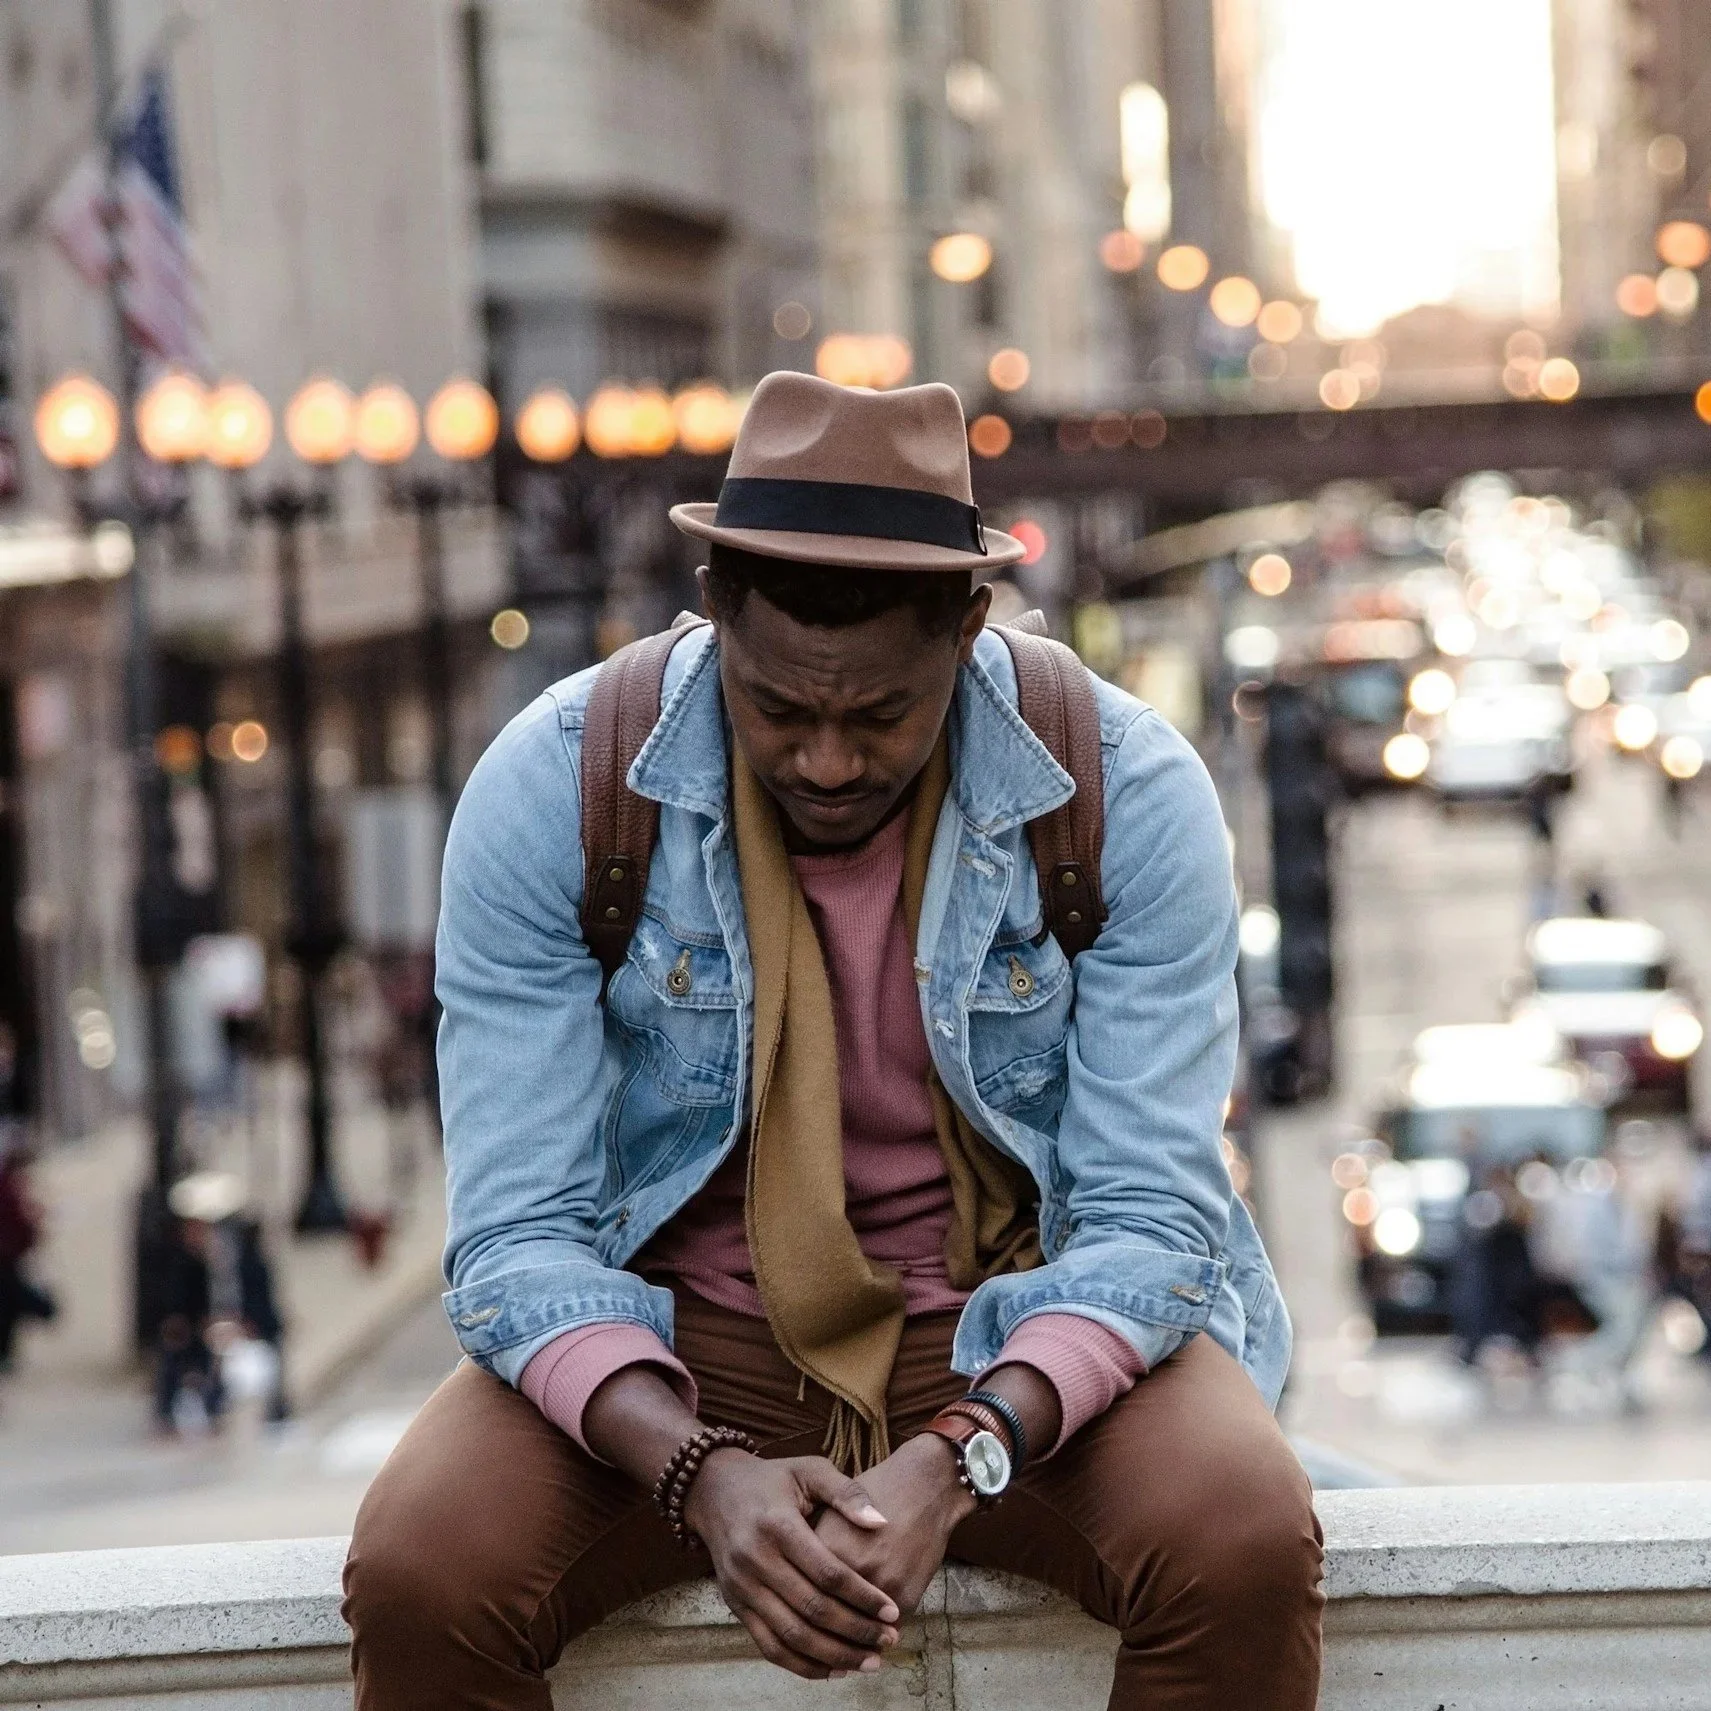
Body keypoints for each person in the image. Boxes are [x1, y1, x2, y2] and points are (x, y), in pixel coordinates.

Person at [344, 372, 1321, 1710]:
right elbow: (514, 1239)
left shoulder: (1124, 789)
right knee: (423, 1570)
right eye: (777, 708)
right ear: (712, 604)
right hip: (675, 1341)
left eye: (878, 716)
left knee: (1239, 1533)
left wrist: (959, 1454)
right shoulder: (554, 783)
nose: (822, 760)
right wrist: (699, 1471)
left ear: (968, 628)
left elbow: (1153, 1223)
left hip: (1014, 1325)